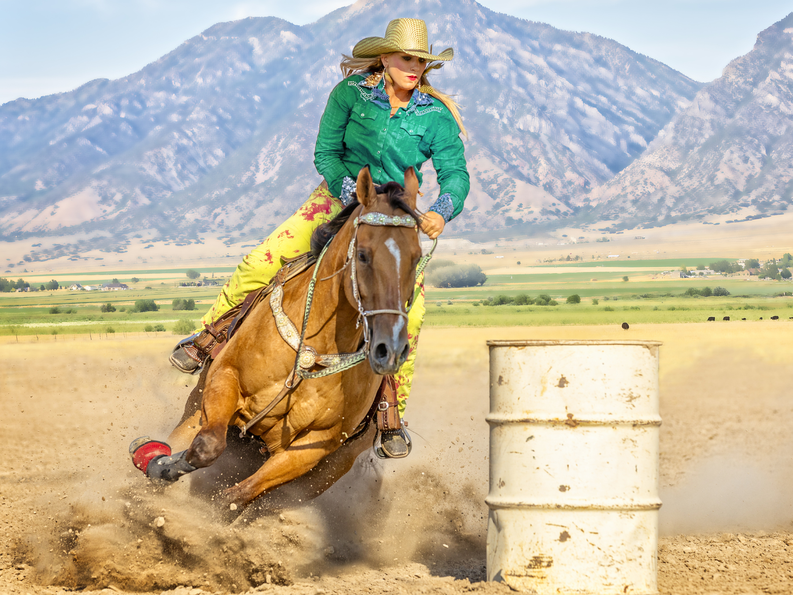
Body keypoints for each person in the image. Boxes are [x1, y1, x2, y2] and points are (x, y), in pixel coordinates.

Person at [169, 18, 469, 458]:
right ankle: (208, 340)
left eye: (421, 61)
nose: (415, 67)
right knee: (259, 264)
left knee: (413, 315)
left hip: (397, 216)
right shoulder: (349, 96)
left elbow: (455, 173)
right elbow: (325, 153)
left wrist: (442, 212)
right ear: (384, 57)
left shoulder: (435, 116)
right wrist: (350, 191)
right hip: (336, 198)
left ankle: (390, 413)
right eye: (407, 58)